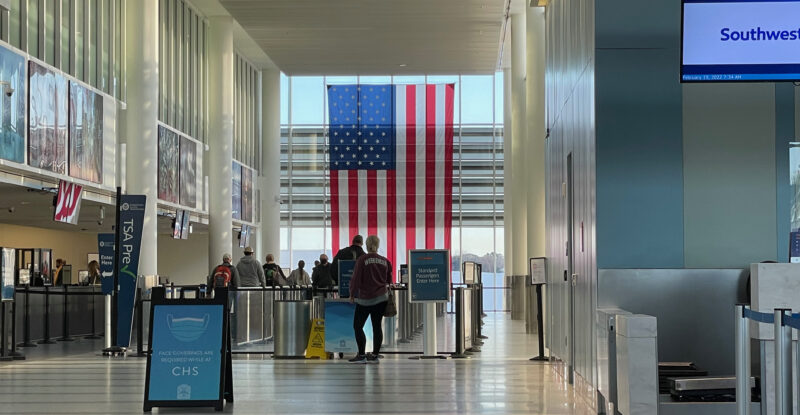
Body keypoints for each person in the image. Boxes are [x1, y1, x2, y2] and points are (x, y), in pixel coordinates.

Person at [348, 235, 392, 364]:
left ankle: (361, 355)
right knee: (377, 326)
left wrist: (352, 294)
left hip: (365, 299)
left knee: (357, 326)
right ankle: (375, 355)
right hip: (381, 298)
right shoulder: (385, 261)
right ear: (377, 245)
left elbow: (356, 278)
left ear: (366, 245)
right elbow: (389, 279)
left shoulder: (362, 260)